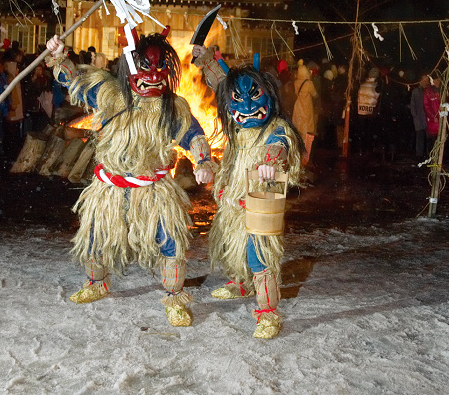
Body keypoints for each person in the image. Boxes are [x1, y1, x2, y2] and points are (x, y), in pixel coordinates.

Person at [45, 32, 215, 328]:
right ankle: (96, 283)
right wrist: (59, 56)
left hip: (154, 191)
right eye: (144, 67)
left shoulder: (172, 107)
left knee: (170, 241)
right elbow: (73, 80)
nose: (152, 76)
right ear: (128, 67)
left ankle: (174, 297)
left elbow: (193, 134)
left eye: (159, 66)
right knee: (96, 237)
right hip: (109, 191)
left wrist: (202, 160)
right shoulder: (109, 93)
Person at [192, 44, 303, 339]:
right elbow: (220, 83)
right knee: (233, 249)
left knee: (259, 255)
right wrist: (211, 172)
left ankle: (268, 313)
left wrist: (271, 162)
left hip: (260, 203)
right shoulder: (236, 132)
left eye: (254, 97)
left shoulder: (276, 127)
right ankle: (240, 282)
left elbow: (281, 144)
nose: (247, 106)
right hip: (233, 203)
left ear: (268, 94)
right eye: (238, 100)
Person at [292, 62, 318, 164]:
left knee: (298, 127)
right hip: (306, 106)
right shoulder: (309, 83)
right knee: (307, 129)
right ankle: (305, 155)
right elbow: (315, 94)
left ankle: (298, 151)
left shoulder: (296, 82)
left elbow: (295, 93)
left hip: (298, 106)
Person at [410, 74, 429, 159]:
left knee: (429, 139)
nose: (425, 83)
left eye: (426, 81)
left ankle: (429, 155)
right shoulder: (416, 92)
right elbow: (413, 104)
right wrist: (415, 116)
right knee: (420, 138)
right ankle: (419, 156)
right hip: (419, 118)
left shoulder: (430, 91)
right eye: (423, 80)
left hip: (429, 119)